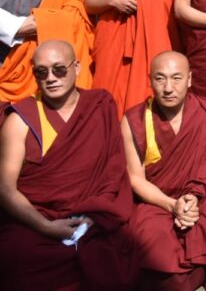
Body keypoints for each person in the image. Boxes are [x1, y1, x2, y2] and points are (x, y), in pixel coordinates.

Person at [0, 40, 136, 290]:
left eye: (59, 69)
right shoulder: (21, 120)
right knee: (15, 254)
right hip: (36, 220)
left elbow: (113, 172)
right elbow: (5, 189)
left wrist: (95, 216)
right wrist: (46, 227)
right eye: (42, 72)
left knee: (125, 248)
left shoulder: (100, 106)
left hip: (93, 217)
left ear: (77, 68)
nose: (51, 78)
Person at [122, 51, 206, 290]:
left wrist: (194, 196)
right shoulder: (135, 119)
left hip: (199, 196)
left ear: (189, 79)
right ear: (150, 80)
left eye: (176, 78)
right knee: (150, 235)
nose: (168, 88)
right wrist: (171, 204)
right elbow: (135, 179)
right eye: (160, 78)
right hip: (156, 199)